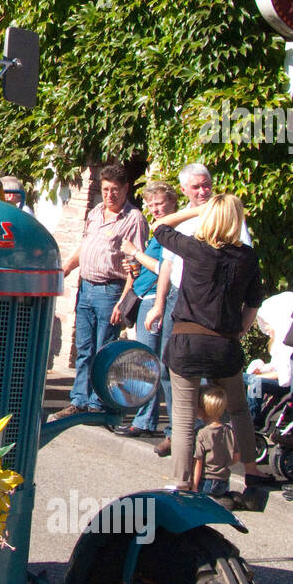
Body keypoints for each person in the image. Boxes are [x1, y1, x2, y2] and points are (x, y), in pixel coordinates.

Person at [152, 194, 268, 507]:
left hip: (187, 341)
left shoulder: (197, 248)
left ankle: (183, 484)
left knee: (185, 416)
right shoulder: (247, 257)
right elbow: (254, 301)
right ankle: (253, 474)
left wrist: (196, 209)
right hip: (224, 344)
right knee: (239, 409)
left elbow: (159, 227)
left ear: (210, 217)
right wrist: (239, 330)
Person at [145, 162, 250, 456]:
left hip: (209, 306)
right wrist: (159, 303)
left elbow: (244, 266)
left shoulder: (231, 221)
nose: (203, 191)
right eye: (196, 187)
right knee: (170, 372)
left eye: (207, 185)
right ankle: (179, 434)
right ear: (184, 190)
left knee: (206, 383)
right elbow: (167, 264)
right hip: (179, 300)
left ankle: (208, 442)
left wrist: (237, 327)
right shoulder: (185, 222)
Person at [51, 164, 148, 419]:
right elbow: (85, 246)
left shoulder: (133, 219)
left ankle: (98, 403)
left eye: (115, 190)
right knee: (84, 349)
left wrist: (123, 302)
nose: (109, 195)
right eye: (105, 189)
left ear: (126, 189)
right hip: (86, 288)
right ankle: (79, 400)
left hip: (110, 291)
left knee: (103, 350)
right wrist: (67, 269)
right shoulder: (95, 212)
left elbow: (134, 266)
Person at [115, 180, 179, 437]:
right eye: (151, 204)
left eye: (160, 203)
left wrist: (135, 252)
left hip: (157, 301)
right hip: (146, 297)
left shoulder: (173, 230)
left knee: (156, 365)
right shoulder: (160, 229)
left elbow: (166, 268)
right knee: (149, 363)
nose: (155, 208)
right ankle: (146, 420)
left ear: (173, 202)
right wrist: (135, 266)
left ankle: (161, 424)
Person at [245, 291, 293, 425]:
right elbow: (276, 366)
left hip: (284, 385)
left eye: (268, 322)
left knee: (254, 382)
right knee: (239, 377)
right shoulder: (279, 344)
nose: (266, 327)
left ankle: (251, 419)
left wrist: (260, 376)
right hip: (277, 380)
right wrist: (261, 369)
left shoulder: (288, 346)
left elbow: (285, 375)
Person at [192, 384, 239, 499]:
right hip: (224, 479)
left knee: (204, 504)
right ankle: (227, 498)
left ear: (201, 410)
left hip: (206, 479)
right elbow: (235, 458)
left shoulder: (202, 433)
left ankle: (220, 501)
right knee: (219, 498)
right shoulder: (229, 430)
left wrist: (193, 487)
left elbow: (198, 462)